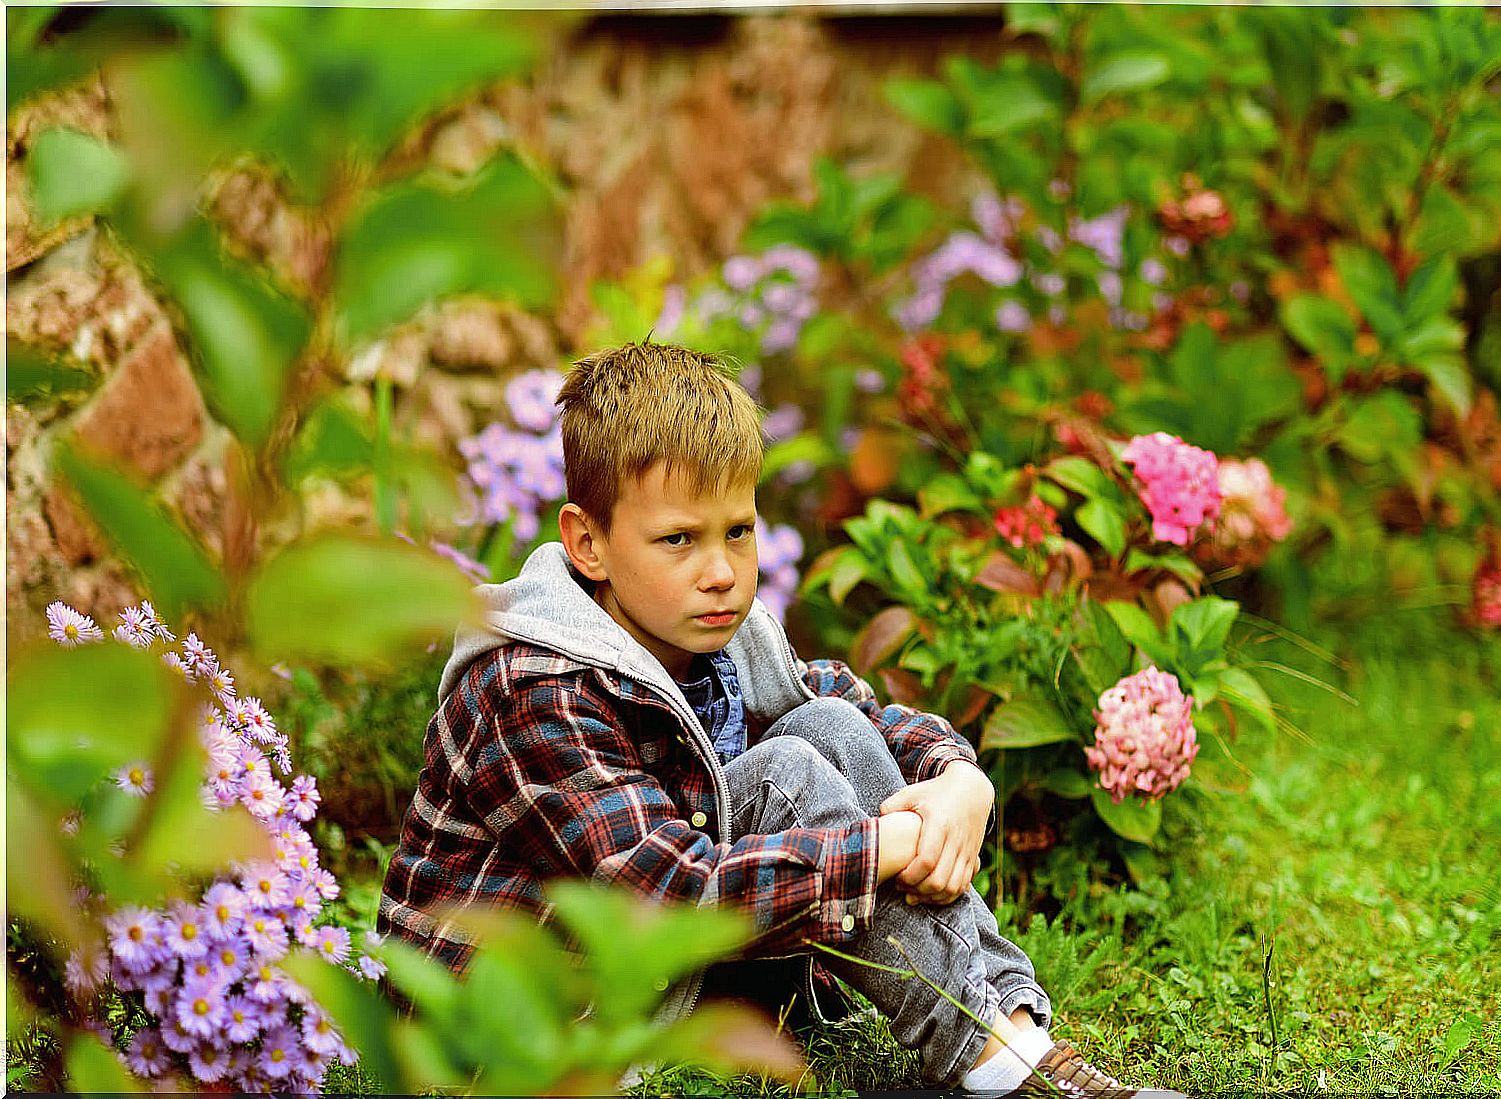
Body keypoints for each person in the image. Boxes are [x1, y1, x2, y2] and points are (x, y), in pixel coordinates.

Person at [379, 340, 1185, 1098]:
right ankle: (987, 1054)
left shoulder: (717, 635)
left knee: (826, 724)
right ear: (588, 543)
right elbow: (668, 891)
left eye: (739, 530)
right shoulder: (532, 683)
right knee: (789, 773)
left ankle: (1006, 1028)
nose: (722, 572)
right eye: (678, 540)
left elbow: (857, 711)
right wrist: (885, 848)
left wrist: (957, 778)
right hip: (517, 1023)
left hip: (656, 983)